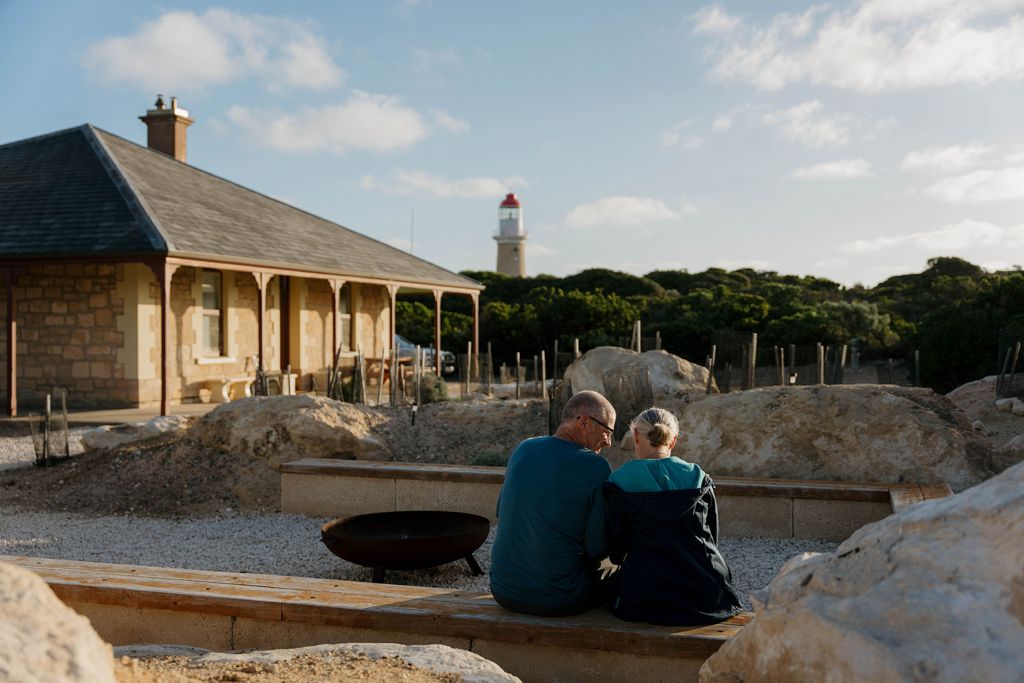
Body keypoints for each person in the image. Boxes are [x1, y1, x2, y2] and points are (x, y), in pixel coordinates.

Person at [604, 407, 743, 625]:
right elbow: (711, 538)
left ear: (636, 437)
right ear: (673, 440)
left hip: (644, 598)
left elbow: (616, 551)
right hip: (707, 596)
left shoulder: (619, 482)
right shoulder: (699, 478)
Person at [489, 390, 617, 616]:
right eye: (607, 431)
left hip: (502, 591)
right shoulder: (595, 466)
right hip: (559, 598)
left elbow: (501, 511)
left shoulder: (524, 448)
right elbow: (596, 548)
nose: (608, 442)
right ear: (584, 421)